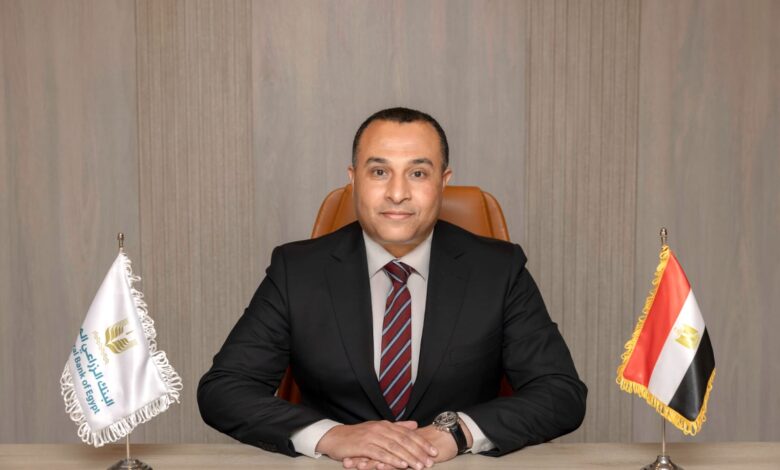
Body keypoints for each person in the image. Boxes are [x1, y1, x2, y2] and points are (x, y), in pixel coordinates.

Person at [198, 107, 587, 469]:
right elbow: (225, 388)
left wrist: (456, 433)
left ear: (443, 182)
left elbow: (560, 392)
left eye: (417, 173)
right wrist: (332, 436)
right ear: (354, 179)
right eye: (379, 171)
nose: (397, 193)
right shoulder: (297, 270)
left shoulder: (499, 270)